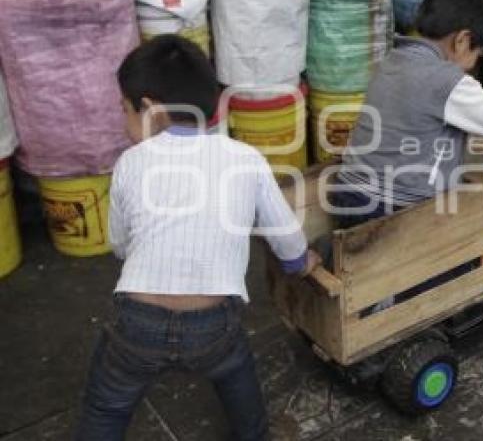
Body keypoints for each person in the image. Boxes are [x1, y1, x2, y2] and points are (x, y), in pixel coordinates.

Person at [76, 36, 319, 441]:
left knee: (105, 405)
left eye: (124, 110)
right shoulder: (245, 158)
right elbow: (287, 238)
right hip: (213, 325)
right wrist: (300, 263)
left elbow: (119, 246)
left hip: (138, 324)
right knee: (237, 375)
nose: (123, 122)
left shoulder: (129, 164)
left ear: (150, 108)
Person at [329, 0, 483, 229]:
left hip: (349, 195)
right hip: (393, 209)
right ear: (462, 40)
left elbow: (425, 116)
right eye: (477, 54)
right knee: (466, 253)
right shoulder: (444, 78)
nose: (473, 64)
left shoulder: (394, 59)